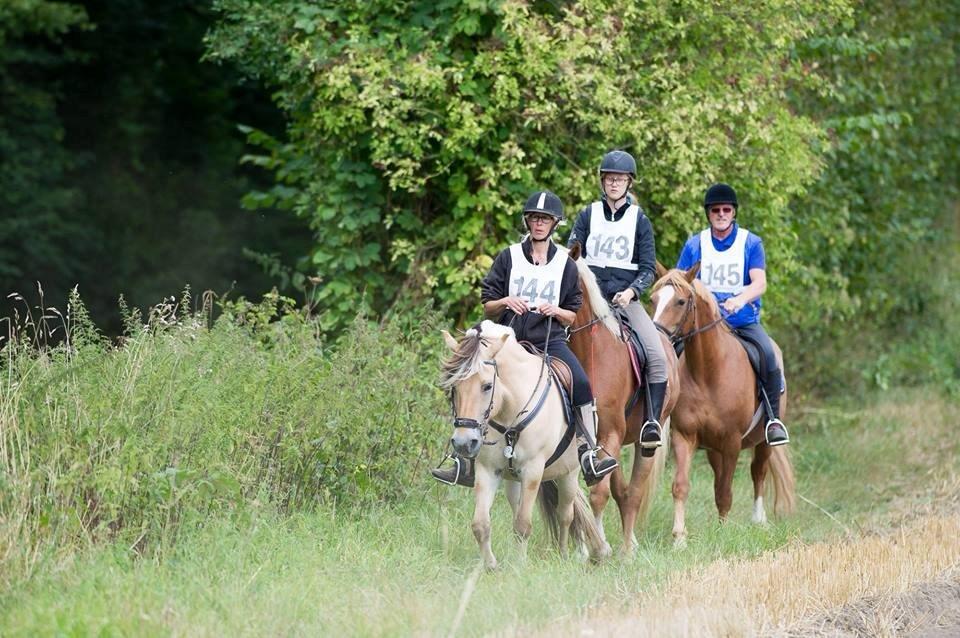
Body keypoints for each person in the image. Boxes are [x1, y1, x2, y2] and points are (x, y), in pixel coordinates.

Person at [432, 191, 618, 487]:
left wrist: (555, 310)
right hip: (507, 338)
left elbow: (572, 314)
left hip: (550, 338)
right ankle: (460, 459)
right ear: (527, 222)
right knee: (466, 372)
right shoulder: (508, 256)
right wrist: (507, 301)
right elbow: (487, 304)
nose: (538, 224)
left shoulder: (566, 265)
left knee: (580, 382)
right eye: (534, 218)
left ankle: (588, 450)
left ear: (555, 223)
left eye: (544, 219)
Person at [567, 150, 669, 455]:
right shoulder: (587, 215)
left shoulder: (640, 221)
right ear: (602, 181)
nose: (614, 183)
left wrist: (632, 292)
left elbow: (648, 267)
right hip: (588, 300)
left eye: (620, 179)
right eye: (609, 178)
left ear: (628, 183)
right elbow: (572, 255)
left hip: (624, 300)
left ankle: (651, 422)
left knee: (657, 355)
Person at [676, 183, 789, 446]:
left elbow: (759, 283)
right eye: (716, 210)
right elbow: (680, 280)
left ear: (734, 212)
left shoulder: (750, 243)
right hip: (701, 326)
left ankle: (773, 420)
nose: (721, 214)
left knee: (768, 355)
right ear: (709, 213)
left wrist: (740, 299)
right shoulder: (695, 244)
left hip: (741, 321)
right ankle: (661, 417)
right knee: (666, 354)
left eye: (727, 209)